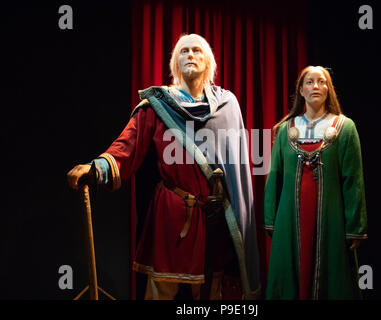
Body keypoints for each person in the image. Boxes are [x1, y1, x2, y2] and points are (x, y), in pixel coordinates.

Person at [67, 33, 261, 300]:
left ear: (209, 62)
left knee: (211, 292)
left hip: (214, 218)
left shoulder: (227, 105)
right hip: (172, 213)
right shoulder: (158, 106)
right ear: (174, 64)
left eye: (197, 51)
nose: (190, 55)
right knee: (161, 291)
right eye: (184, 51)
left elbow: (238, 166)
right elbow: (127, 147)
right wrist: (97, 168)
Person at [264, 66, 367, 299]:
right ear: (301, 90)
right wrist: (270, 219)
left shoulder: (344, 127)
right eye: (309, 82)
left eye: (322, 82)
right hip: (289, 218)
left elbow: (353, 179)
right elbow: (275, 176)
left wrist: (355, 227)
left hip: (331, 219)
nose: (316, 87)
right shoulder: (285, 131)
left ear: (328, 89)